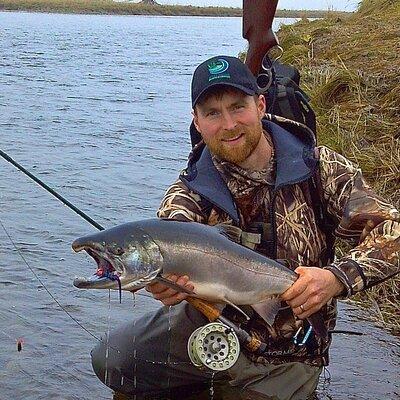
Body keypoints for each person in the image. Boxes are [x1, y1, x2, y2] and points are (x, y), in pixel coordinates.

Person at [91, 55, 400, 400]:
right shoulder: (190, 191)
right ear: (196, 121)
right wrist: (165, 286)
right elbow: (170, 237)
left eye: (238, 107)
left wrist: (335, 279)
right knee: (112, 359)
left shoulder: (318, 167)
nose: (229, 124)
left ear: (261, 104)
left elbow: (393, 233)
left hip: (290, 349)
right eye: (212, 113)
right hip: (209, 328)